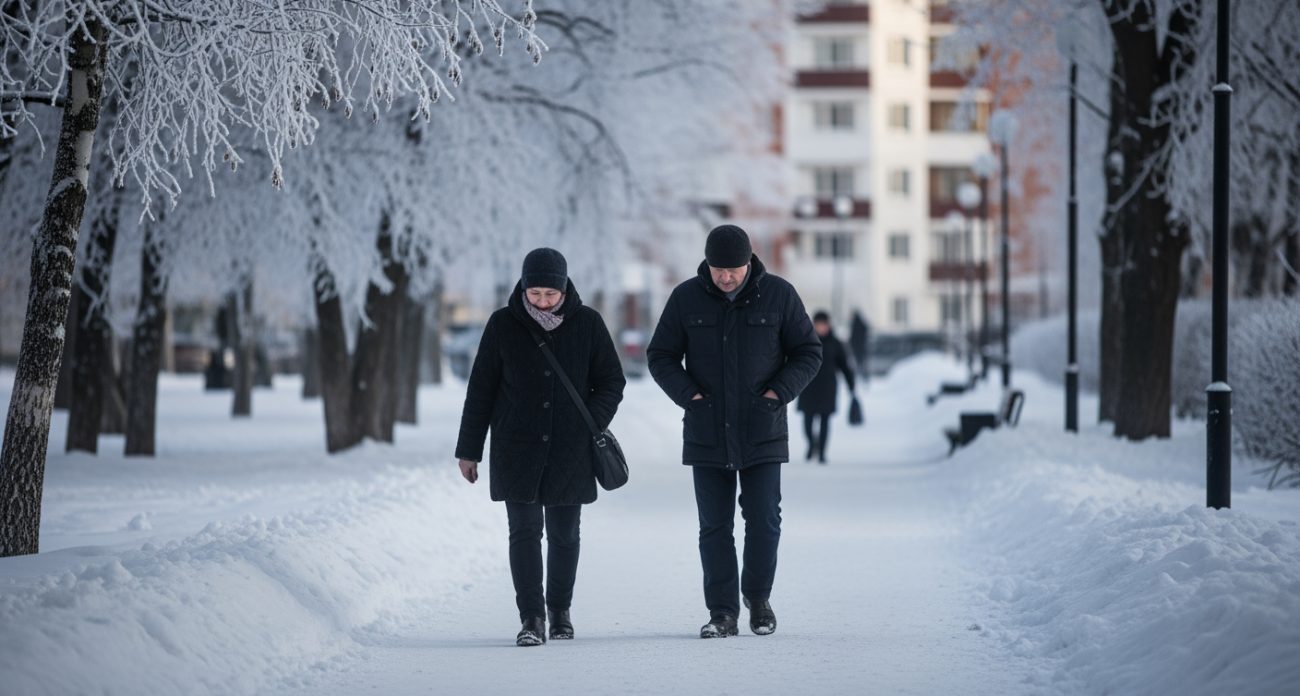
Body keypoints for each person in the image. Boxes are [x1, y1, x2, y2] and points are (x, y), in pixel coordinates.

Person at [646, 224, 822, 639]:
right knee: (714, 525)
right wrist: (691, 397)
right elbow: (660, 355)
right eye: (717, 269)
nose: (725, 277)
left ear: (749, 262)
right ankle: (722, 613)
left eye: (734, 269)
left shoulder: (779, 295)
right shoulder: (686, 297)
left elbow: (808, 352)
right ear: (707, 264)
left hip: (763, 428)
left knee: (764, 520)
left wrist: (776, 394)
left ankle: (758, 600)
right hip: (707, 429)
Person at [455, 248, 626, 647]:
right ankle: (531, 617)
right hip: (516, 447)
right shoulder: (502, 324)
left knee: (565, 535)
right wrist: (469, 450)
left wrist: (589, 420)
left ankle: (560, 612)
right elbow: (481, 390)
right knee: (524, 531)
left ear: (564, 288)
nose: (543, 301)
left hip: (571, 448)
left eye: (551, 294)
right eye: (535, 294)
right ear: (524, 288)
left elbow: (611, 381)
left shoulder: (588, 323)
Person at [796, 311, 857, 464]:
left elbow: (844, 365)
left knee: (825, 421)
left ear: (828, 325)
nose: (821, 327)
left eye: (823, 324)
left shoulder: (835, 343)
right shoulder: (804, 341)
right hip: (808, 386)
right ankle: (812, 444)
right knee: (807, 421)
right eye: (818, 324)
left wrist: (851, 385)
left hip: (827, 387)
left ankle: (822, 452)